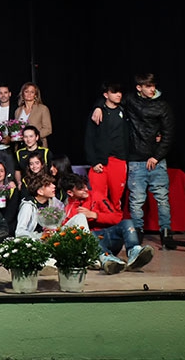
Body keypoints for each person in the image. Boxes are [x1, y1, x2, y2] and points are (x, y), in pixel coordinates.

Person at [92, 72, 175, 248]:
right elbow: (110, 100)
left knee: (162, 199)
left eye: (153, 86)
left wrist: (156, 156)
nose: (152, 89)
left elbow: (168, 135)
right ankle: (137, 233)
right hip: (136, 159)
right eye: (148, 86)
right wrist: (98, 106)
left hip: (156, 160)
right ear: (139, 88)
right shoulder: (130, 100)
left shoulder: (163, 106)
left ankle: (166, 233)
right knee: (136, 201)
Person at [62, 173, 155, 274]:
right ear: (70, 192)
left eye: (85, 185)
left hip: (110, 236)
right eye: (80, 188)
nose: (86, 189)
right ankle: (107, 260)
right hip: (93, 244)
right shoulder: (67, 210)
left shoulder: (96, 196)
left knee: (127, 223)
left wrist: (94, 215)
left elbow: (116, 217)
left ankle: (134, 252)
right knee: (88, 235)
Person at [84, 82, 131, 217]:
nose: (118, 95)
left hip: (119, 160)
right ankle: (99, 230)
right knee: (98, 198)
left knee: (117, 198)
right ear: (106, 95)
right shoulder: (98, 113)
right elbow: (89, 139)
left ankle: (116, 226)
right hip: (100, 161)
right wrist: (93, 161)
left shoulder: (124, 110)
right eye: (114, 92)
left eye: (120, 92)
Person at [15, 174, 87, 240]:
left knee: (80, 217)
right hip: (38, 239)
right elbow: (19, 232)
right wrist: (40, 236)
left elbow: (62, 222)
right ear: (40, 192)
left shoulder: (53, 201)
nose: (54, 186)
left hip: (54, 234)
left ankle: (87, 248)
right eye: (49, 185)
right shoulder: (28, 206)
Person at [15, 82, 53, 147]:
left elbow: (48, 129)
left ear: (35, 95)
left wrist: (32, 137)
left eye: (32, 92)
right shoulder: (18, 111)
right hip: (22, 147)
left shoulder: (43, 109)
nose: (29, 94)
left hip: (38, 146)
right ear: (23, 94)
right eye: (26, 91)